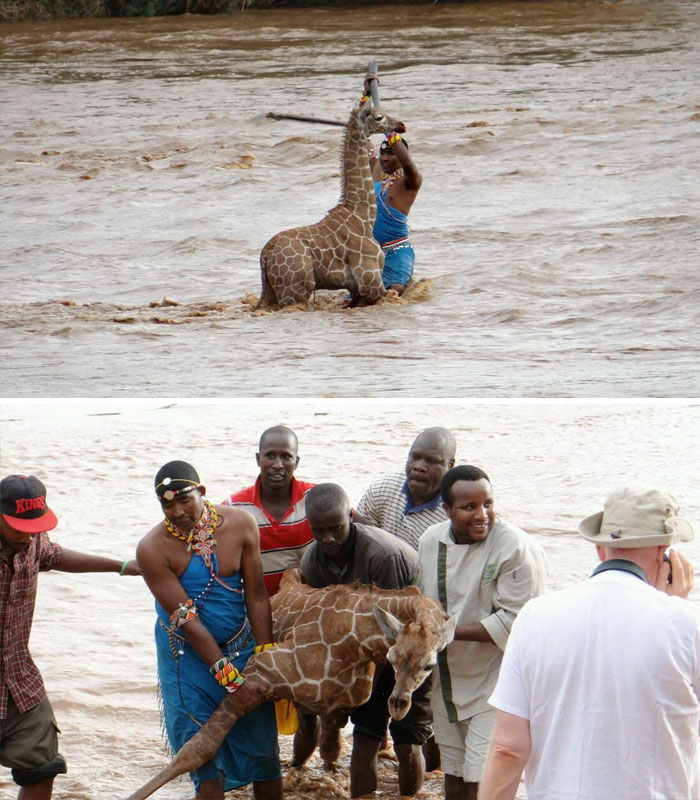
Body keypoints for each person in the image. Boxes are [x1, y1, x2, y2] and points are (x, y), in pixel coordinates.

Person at [480, 486, 699, 800]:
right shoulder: (686, 623)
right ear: (665, 553)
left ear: (600, 549)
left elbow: (507, 749)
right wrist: (674, 606)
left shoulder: (535, 617)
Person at [136, 461, 282, 800]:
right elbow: (192, 626)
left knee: (264, 758)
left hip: (241, 647)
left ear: (202, 492)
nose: (177, 511)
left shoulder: (241, 523)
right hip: (186, 660)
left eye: (184, 499)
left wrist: (266, 659)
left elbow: (257, 597)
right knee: (204, 763)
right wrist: (233, 683)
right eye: (167, 505)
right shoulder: (152, 549)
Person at [0, 473, 140, 800]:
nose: (28, 535)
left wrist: (121, 566)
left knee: (42, 767)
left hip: (19, 682)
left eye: (35, 527)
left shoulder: (32, 542)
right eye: (19, 526)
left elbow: (56, 556)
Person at [417, 465, 547, 800]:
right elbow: (420, 604)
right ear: (446, 509)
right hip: (446, 682)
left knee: (484, 781)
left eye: (488, 504)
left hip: (497, 683)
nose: (482, 515)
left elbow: (518, 623)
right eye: (469, 507)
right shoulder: (429, 541)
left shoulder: (515, 547)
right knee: (454, 777)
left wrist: (447, 633)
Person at [299, 482, 432, 798]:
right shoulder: (312, 561)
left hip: (411, 649)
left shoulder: (382, 555)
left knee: (407, 741)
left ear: (351, 516)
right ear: (310, 525)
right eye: (319, 531)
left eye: (337, 529)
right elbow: (326, 617)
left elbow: (400, 625)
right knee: (365, 737)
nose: (328, 538)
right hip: (364, 650)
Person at [221, 425, 314, 597]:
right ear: (258, 459)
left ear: (297, 462)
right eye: (270, 456)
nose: (278, 465)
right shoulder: (234, 507)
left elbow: (358, 532)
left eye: (286, 456)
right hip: (255, 609)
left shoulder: (315, 498)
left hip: (310, 608)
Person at [363, 72, 422, 295]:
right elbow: (360, 133)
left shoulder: (411, 180)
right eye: (383, 153)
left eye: (391, 154)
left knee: (393, 293)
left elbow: (407, 161)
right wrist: (366, 94)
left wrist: (388, 130)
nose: (386, 158)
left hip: (396, 252)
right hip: (369, 253)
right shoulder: (376, 168)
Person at [355, 426, 456, 550]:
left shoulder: (453, 511)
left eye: (431, 461)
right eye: (415, 457)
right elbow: (359, 537)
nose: (419, 467)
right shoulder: (382, 489)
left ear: (450, 465)